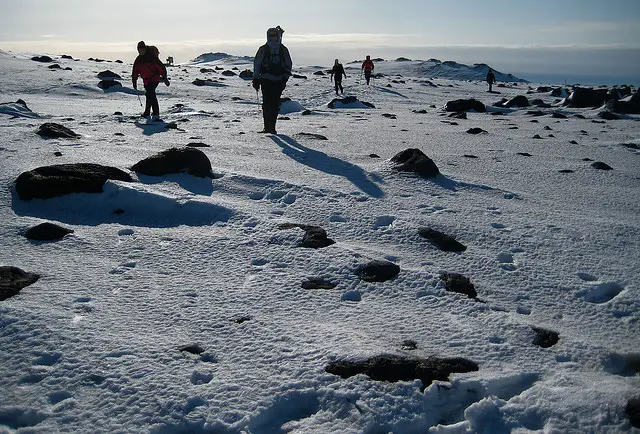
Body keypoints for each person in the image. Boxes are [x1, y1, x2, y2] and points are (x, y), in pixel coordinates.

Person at [252, 26, 292, 134]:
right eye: (272, 36)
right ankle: (270, 127)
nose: (273, 37)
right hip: (277, 80)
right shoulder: (283, 49)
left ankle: (269, 127)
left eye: (274, 35)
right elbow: (288, 64)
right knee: (273, 104)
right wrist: (285, 78)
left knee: (269, 104)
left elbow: (257, 63)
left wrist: (256, 78)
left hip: (267, 79)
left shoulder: (263, 48)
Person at [132, 41, 169, 120]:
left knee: (150, 93)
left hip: (154, 78)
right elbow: (135, 71)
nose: (140, 52)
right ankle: (147, 112)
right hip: (146, 80)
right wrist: (134, 82)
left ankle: (155, 113)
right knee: (149, 95)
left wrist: (165, 77)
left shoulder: (151, 57)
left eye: (142, 49)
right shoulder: (138, 60)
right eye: (139, 50)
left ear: (145, 49)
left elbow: (161, 67)